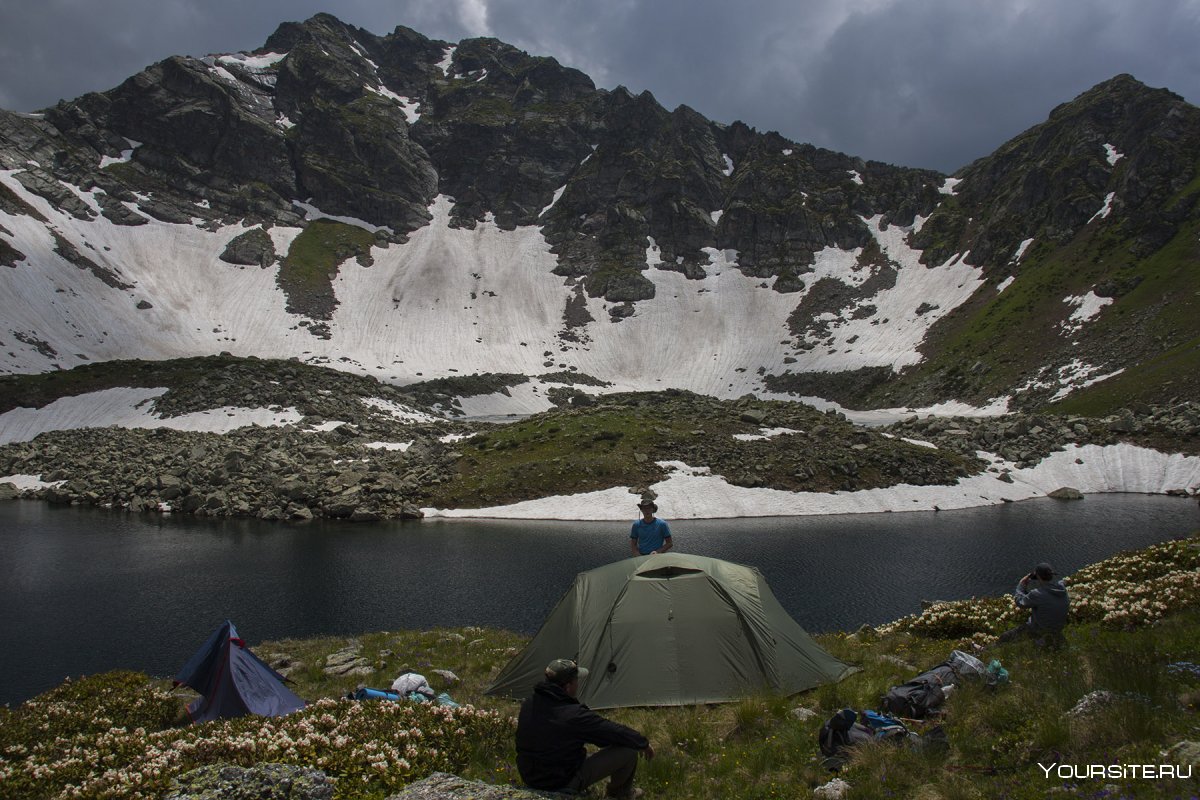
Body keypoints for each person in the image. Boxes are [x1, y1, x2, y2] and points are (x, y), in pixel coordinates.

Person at [515, 658, 653, 798]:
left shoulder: (529, 704)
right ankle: (619, 794)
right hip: (560, 781)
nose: (578, 683)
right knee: (628, 750)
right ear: (568, 686)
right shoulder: (573, 715)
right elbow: (609, 731)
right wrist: (641, 742)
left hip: (531, 777)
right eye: (576, 680)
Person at [998, 562, 1069, 645]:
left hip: (1038, 631)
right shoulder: (1062, 591)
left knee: (1005, 637)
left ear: (1038, 576)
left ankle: (986, 652)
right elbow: (1061, 583)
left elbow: (1020, 602)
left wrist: (1021, 585)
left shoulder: (1037, 594)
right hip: (1057, 630)